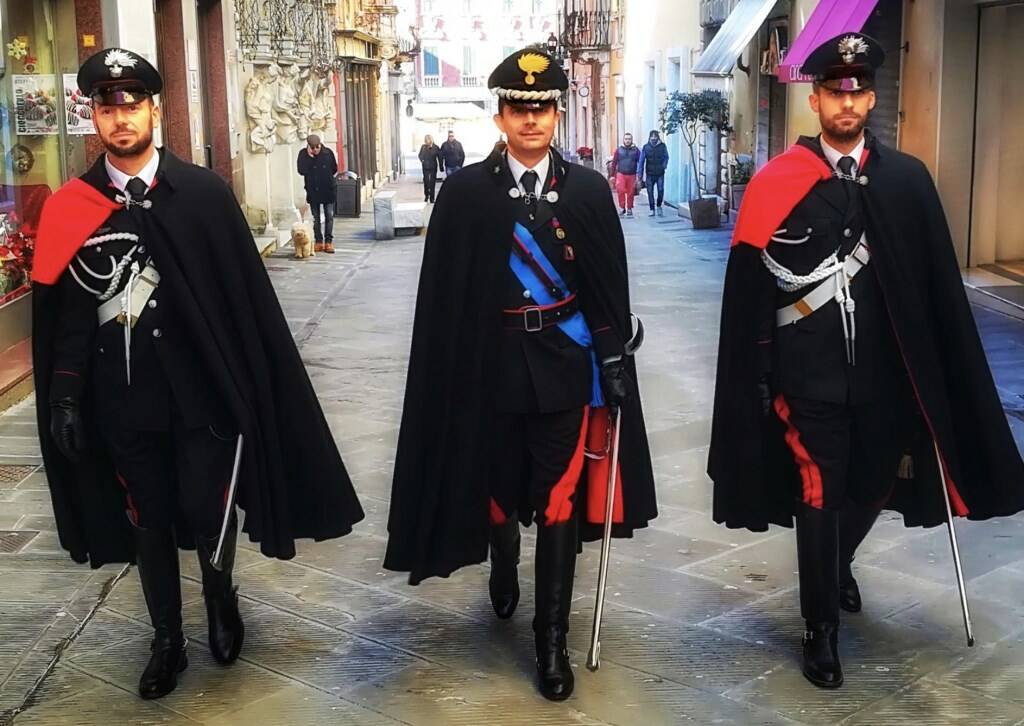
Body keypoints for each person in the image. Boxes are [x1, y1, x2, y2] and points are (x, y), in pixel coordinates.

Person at [32, 48, 364, 700]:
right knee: (148, 517)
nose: (121, 117)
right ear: (93, 114)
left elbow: (241, 307)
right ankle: (166, 640)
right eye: (107, 105)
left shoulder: (205, 196)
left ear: (155, 109)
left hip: (201, 399)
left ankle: (220, 599)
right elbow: (68, 317)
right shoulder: (71, 208)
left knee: (206, 509)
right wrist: (66, 397)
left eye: (132, 103)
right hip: (123, 403)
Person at [708, 33, 1024, 689]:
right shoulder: (776, 184)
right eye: (833, 92)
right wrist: (760, 375)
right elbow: (750, 294)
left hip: (887, 377)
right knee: (817, 492)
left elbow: (935, 288)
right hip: (807, 375)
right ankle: (820, 630)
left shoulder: (907, 181)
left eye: (857, 92)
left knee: (870, 483)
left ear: (870, 98)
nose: (846, 103)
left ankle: (836, 562)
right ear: (816, 100)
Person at [384, 48, 657, 702]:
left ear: (557, 113)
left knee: (559, 501)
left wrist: (614, 358)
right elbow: (445, 301)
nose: (531, 119)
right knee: (500, 494)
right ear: (501, 114)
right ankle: (502, 559)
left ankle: (550, 642)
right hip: (490, 370)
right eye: (518, 108)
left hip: (566, 368)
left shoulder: (589, 192)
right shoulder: (465, 195)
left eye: (543, 108)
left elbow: (606, 291)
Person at [296, 133, 338, 253]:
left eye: (317, 147)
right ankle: (318, 241)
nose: (315, 150)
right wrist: (310, 158)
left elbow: (334, 168)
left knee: (329, 216)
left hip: (328, 190)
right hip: (313, 191)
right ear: (308, 146)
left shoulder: (328, 153)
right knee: (316, 218)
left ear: (320, 145)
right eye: (312, 147)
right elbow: (301, 170)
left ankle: (328, 242)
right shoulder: (303, 155)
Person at [639, 130, 669, 217]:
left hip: (660, 173)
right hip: (649, 173)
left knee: (660, 190)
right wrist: (639, 173)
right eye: (652, 136)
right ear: (649, 137)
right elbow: (641, 161)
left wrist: (664, 165)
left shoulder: (662, 146)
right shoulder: (646, 147)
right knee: (650, 192)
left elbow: (666, 157)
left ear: (658, 137)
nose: (653, 138)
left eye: (655, 136)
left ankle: (659, 205)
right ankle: (652, 209)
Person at [612, 133, 640, 217]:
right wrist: (612, 175)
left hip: (632, 174)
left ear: (632, 140)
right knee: (620, 190)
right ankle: (622, 207)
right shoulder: (619, 150)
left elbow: (640, 162)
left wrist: (640, 174)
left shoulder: (636, 150)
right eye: (626, 139)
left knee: (630, 192)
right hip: (621, 173)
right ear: (623, 140)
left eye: (629, 139)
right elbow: (614, 162)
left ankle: (629, 208)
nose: (627, 141)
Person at [418, 134, 443, 203]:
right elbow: (420, 155)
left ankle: (432, 198)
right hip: (425, 167)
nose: (427, 142)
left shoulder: (436, 147)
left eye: (428, 140)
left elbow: (440, 157)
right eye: (426, 141)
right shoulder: (423, 147)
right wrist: (422, 160)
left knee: (432, 182)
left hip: (433, 167)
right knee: (426, 181)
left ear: (431, 140)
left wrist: (441, 167)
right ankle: (426, 195)